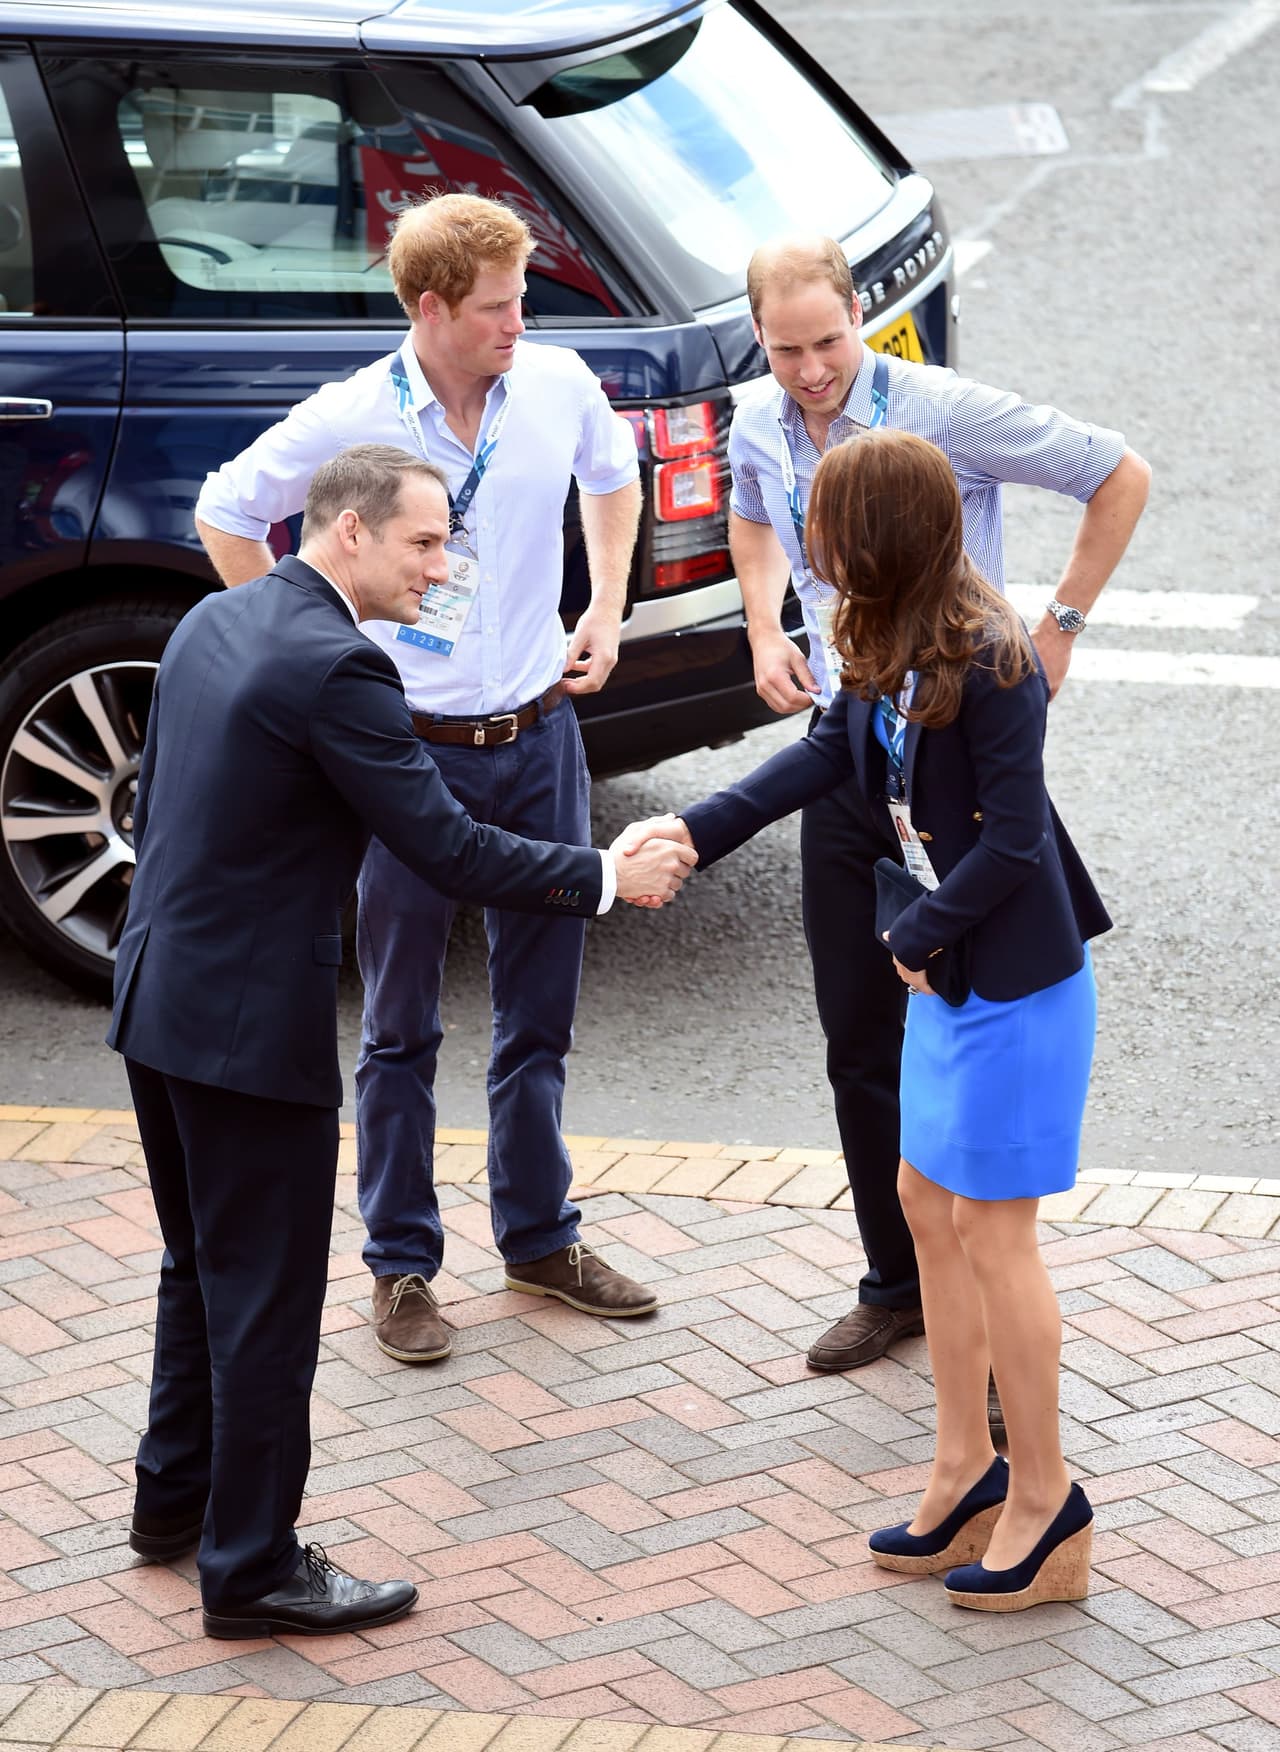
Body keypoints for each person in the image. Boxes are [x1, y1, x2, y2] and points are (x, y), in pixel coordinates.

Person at [113, 445, 695, 1639]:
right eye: (423, 543)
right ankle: (252, 1570)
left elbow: (162, 806)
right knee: (267, 1300)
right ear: (348, 532)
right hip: (245, 1034)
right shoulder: (342, 667)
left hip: (156, 997)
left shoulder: (216, 620)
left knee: (197, 1266)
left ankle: (170, 1506)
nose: (441, 568)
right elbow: (447, 848)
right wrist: (602, 874)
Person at [194, 192, 654, 1368]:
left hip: (540, 736)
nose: (519, 323)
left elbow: (613, 476)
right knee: (399, 1025)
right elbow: (227, 509)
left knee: (539, 1018)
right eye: (496, 307)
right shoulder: (355, 417)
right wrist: (308, 659)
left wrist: (604, 605)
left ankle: (539, 1238)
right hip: (407, 755)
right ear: (432, 308)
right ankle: (400, 1264)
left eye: (521, 299)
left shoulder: (553, 384)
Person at [663, 429, 1107, 1611]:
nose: (806, 542)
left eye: (822, 524)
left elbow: (1015, 843)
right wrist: (693, 833)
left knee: (994, 1233)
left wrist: (914, 937)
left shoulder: (993, 658)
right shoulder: (881, 634)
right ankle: (962, 1466)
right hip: (947, 979)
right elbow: (820, 756)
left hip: (1011, 985)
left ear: (878, 536)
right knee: (922, 1202)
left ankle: (1044, 1495)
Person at [719, 233, 1149, 1386]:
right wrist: (764, 626)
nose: (811, 371)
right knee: (856, 1042)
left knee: (973, 1041)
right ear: (756, 338)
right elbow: (752, 513)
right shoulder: (757, 420)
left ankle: (993, 1322)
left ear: (856, 314)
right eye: (784, 351)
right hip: (853, 741)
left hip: (948, 761)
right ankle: (895, 1288)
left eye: (826, 343)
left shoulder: (937, 416)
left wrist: (1058, 626)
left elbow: (1119, 473)